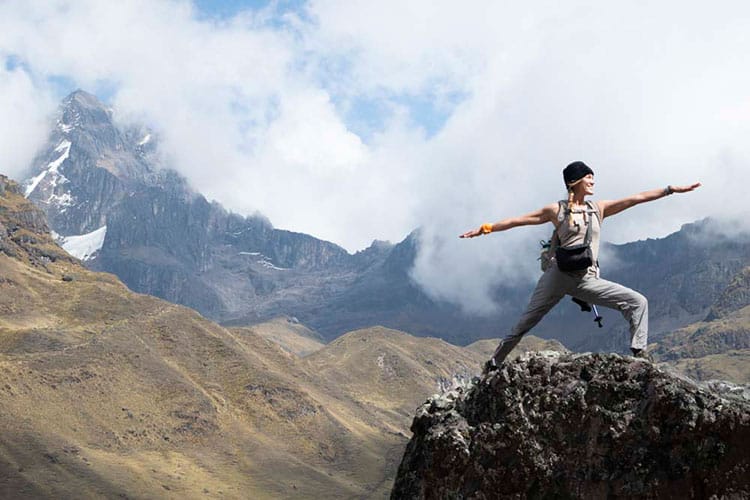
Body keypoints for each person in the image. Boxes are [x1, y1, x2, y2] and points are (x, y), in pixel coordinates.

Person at [460, 161, 701, 369]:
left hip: (587, 279)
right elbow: (517, 220)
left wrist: (671, 190)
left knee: (638, 302)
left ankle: (640, 354)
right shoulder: (556, 210)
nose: (593, 181)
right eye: (588, 177)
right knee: (526, 321)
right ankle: (494, 362)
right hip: (558, 276)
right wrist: (485, 228)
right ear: (574, 181)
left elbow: (636, 199)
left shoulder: (599, 208)